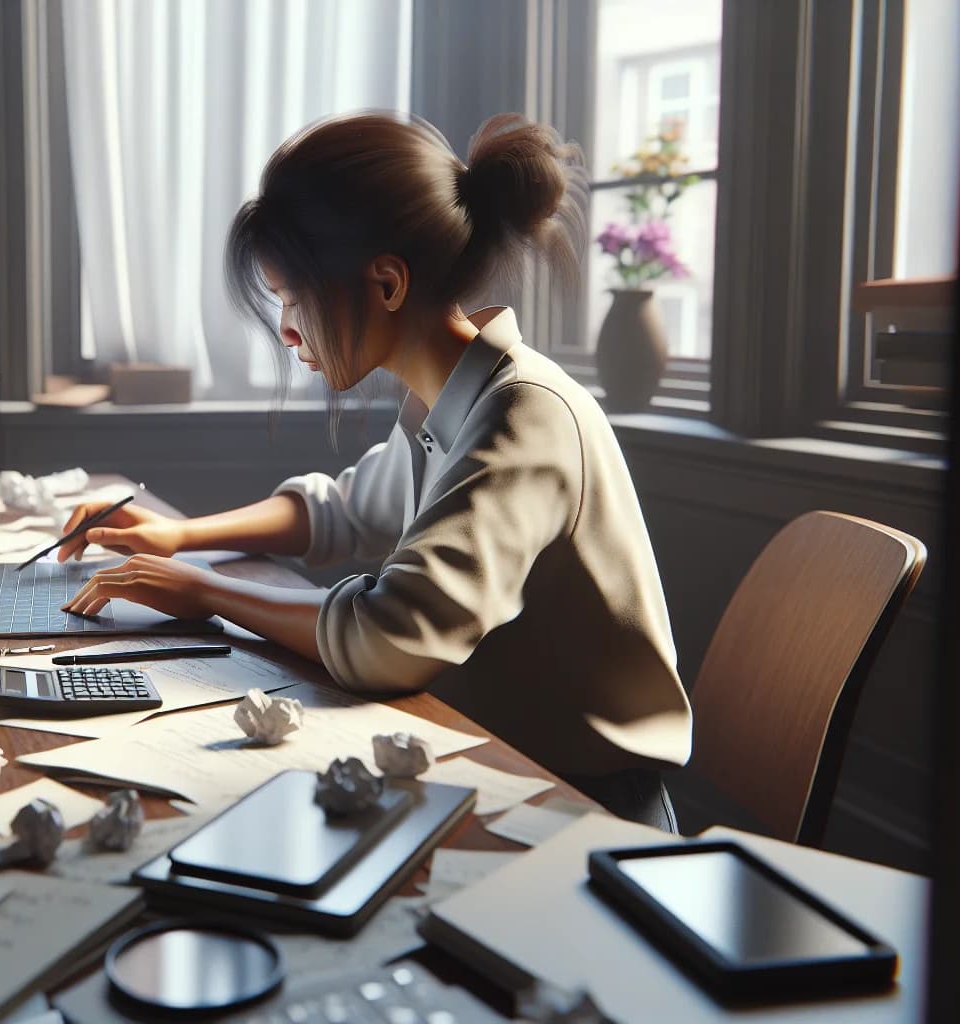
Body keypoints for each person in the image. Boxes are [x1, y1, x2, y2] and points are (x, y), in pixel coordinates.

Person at [55, 111, 690, 830]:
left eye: (295, 299)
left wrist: (206, 591)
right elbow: (346, 511)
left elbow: (391, 637)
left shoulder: (522, 414)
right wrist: (182, 537)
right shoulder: (451, 395)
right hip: (498, 772)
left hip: (582, 811)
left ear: (386, 283)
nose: (289, 329)